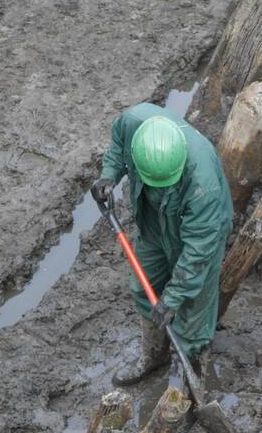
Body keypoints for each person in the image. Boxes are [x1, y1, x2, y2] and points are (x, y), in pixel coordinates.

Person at [91, 102, 233, 386]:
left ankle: (190, 372)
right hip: (155, 219)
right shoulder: (132, 122)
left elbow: (197, 252)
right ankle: (154, 356)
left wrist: (174, 297)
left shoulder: (203, 185)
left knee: (193, 306)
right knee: (145, 285)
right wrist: (109, 175)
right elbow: (118, 147)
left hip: (196, 228)